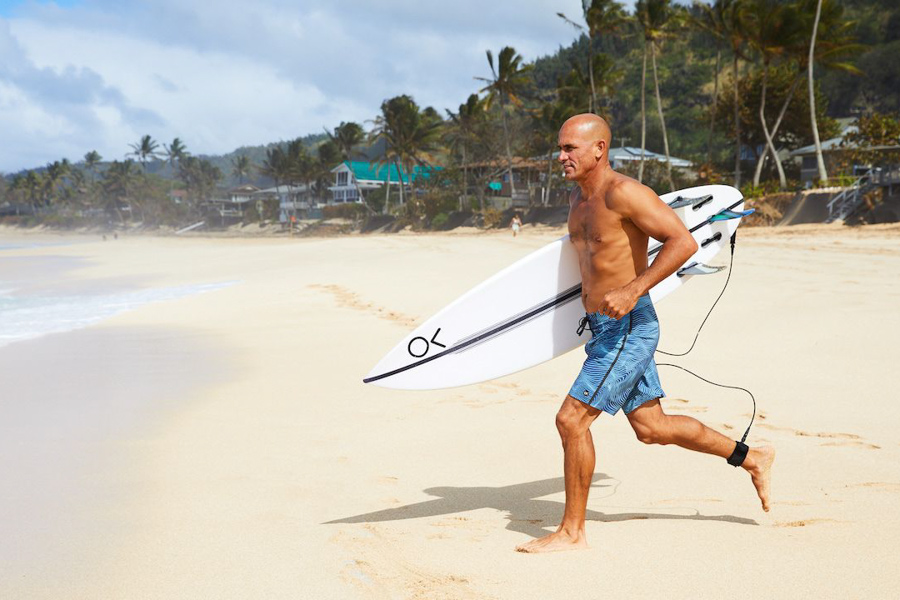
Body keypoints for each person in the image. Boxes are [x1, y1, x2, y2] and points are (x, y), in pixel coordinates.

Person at [515, 114, 775, 554]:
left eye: (569, 149)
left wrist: (634, 289)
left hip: (629, 328)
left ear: (599, 149)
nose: (560, 156)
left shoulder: (625, 193)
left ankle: (573, 533)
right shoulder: (577, 202)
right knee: (652, 427)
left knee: (571, 420)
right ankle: (751, 457)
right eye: (559, 148)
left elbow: (682, 241)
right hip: (602, 329)